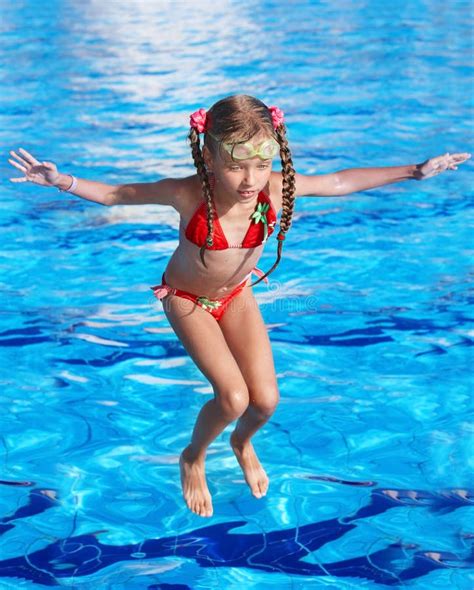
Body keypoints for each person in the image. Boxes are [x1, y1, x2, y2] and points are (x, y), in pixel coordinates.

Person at [8, 95, 470, 518]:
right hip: (187, 300)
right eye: (236, 166)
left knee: (265, 402)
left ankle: (241, 443)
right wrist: (60, 181)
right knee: (233, 397)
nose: (250, 179)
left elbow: (338, 181)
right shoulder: (187, 194)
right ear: (209, 156)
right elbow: (116, 195)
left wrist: (414, 170)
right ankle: (193, 456)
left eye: (262, 162)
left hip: (235, 296)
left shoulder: (273, 186)